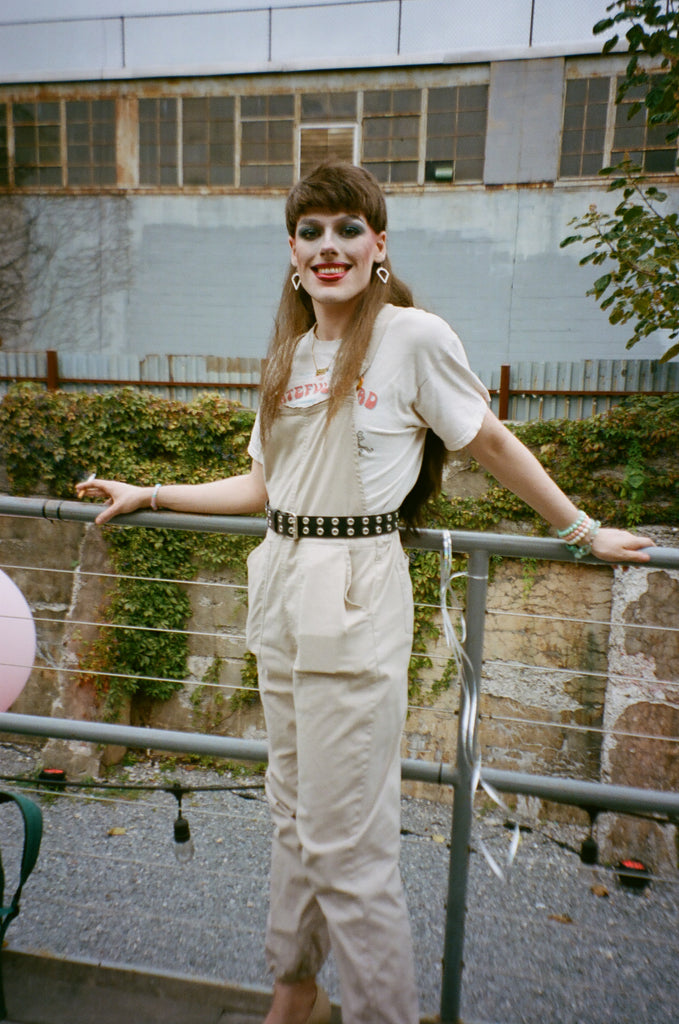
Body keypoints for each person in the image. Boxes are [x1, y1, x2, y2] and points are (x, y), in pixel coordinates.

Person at [77, 161, 653, 1024]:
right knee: (291, 813)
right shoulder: (287, 356)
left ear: (378, 245)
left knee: (349, 846)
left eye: (348, 228)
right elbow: (262, 489)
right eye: (310, 231)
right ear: (291, 252)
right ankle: (295, 992)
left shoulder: (413, 337)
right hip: (279, 580)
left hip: (355, 588)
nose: (328, 246)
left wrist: (580, 530)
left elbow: (487, 440)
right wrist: (149, 494)